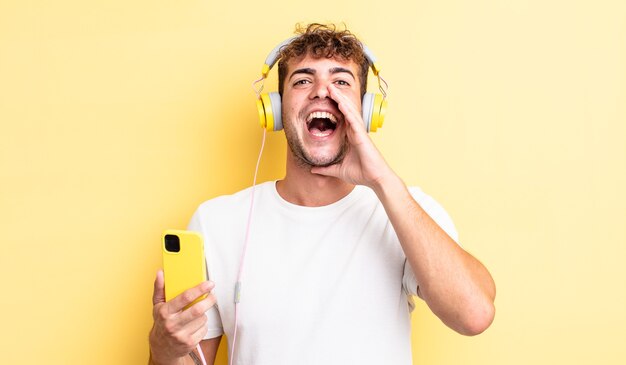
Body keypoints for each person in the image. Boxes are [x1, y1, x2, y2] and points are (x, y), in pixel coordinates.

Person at [148, 23, 496, 365]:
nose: (322, 91)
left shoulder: (402, 210)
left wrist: (381, 180)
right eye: (303, 80)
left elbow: (474, 315)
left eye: (341, 81)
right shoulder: (217, 222)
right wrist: (165, 350)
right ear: (276, 109)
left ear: (366, 111)